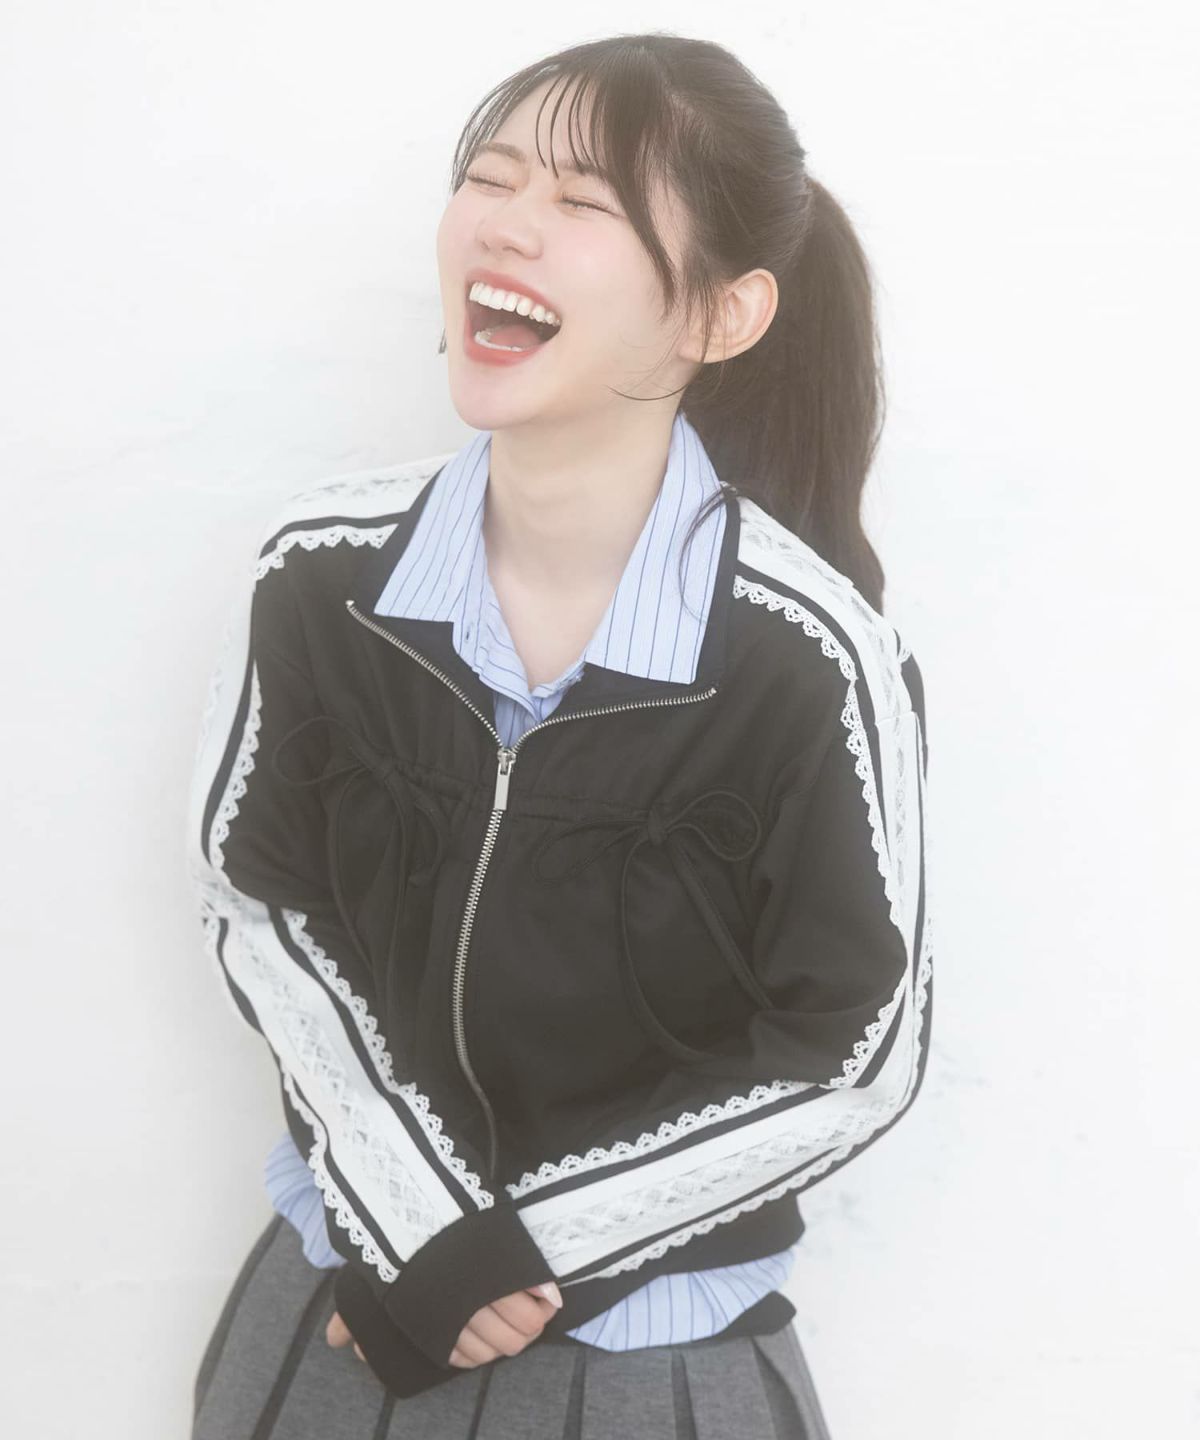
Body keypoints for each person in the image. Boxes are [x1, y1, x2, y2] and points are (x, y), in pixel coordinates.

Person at [187, 30, 933, 1440]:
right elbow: (260, 902)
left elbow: (854, 1050)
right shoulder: (319, 574)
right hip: (336, 1322)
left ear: (721, 314)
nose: (507, 223)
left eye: (585, 201)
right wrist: (414, 1224)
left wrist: (519, 1256)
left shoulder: (808, 655)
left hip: (652, 1371)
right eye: (490, 176)